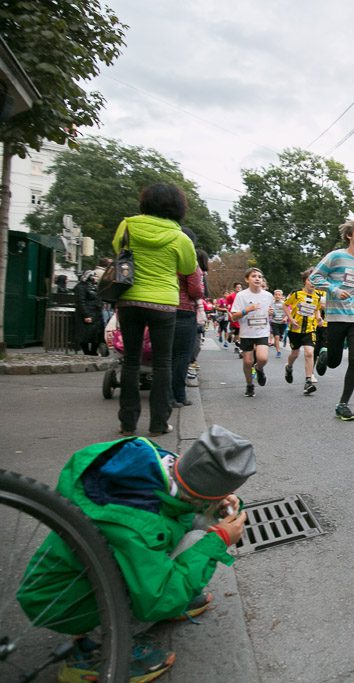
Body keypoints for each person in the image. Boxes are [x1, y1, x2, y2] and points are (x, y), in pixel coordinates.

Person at [17, 425, 254, 683]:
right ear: (200, 495)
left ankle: (137, 608)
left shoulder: (154, 463)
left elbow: (180, 510)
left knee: (201, 523)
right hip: (61, 603)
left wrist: (216, 502)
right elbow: (156, 598)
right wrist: (218, 541)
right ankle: (93, 653)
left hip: (72, 582)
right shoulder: (136, 520)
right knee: (202, 538)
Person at [112, 183, 198, 437]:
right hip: (164, 303)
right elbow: (187, 266)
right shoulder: (180, 236)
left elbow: (119, 249)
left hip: (129, 298)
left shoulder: (127, 225)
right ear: (178, 207)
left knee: (130, 361)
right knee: (162, 364)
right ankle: (159, 423)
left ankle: (127, 423)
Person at [309, 219, 354, 421]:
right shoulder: (336, 257)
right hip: (336, 316)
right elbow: (315, 278)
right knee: (334, 362)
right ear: (350, 236)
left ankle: (343, 403)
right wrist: (334, 289)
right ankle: (324, 354)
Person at [171, 228, 205, 408]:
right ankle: (178, 395)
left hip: (162, 306)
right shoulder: (188, 260)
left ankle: (165, 395)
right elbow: (196, 290)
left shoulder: (164, 256)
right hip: (184, 309)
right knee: (182, 355)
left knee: (164, 356)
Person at [230, 268, 274, 398]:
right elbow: (234, 317)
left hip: (262, 331)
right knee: (247, 362)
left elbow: (270, 313)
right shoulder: (241, 295)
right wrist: (246, 310)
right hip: (247, 333)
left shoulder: (268, 295)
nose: (257, 279)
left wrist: (272, 313)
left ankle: (259, 369)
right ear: (247, 279)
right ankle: (249, 385)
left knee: (263, 358)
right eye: (254, 276)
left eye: (260, 276)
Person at [283, 268, 324, 396]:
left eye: (315, 280)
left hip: (309, 329)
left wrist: (318, 318)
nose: (312, 283)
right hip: (295, 329)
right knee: (294, 354)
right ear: (304, 281)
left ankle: (308, 381)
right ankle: (289, 367)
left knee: (309, 353)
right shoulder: (296, 294)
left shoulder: (318, 296)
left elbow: (317, 309)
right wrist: (290, 319)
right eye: (309, 280)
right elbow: (285, 305)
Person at [73, 272, 104, 355]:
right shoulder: (80, 287)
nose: (96, 278)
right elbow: (80, 302)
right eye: (94, 276)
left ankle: (93, 352)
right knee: (85, 335)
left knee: (97, 335)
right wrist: (86, 315)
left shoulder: (94, 287)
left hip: (96, 314)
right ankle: (87, 353)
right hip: (87, 314)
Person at [269, 289, 288, 358]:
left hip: (282, 323)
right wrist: (270, 313)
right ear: (274, 296)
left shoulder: (284, 303)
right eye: (276, 294)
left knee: (279, 337)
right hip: (274, 322)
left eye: (279, 295)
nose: (277, 296)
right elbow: (269, 312)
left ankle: (279, 339)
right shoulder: (271, 303)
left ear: (281, 296)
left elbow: (287, 313)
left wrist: (285, 318)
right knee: (276, 337)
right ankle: (278, 351)